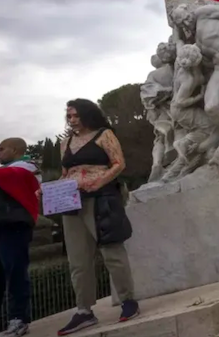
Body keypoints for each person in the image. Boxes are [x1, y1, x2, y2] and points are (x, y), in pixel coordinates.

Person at [57, 99, 138, 335]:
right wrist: (50, 189)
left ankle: (128, 300)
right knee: (78, 260)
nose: (71, 120)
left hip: (101, 199)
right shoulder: (65, 143)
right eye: (69, 116)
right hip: (71, 203)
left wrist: (98, 181)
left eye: (75, 115)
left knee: (111, 251)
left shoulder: (104, 135)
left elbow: (118, 163)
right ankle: (84, 311)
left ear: (87, 115)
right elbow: (65, 173)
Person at [0, 138, 40, 336]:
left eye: (1, 149)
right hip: (4, 225)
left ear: (14, 150)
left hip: (15, 226)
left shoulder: (25, 168)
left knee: (16, 271)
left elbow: (9, 177)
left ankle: (19, 319)